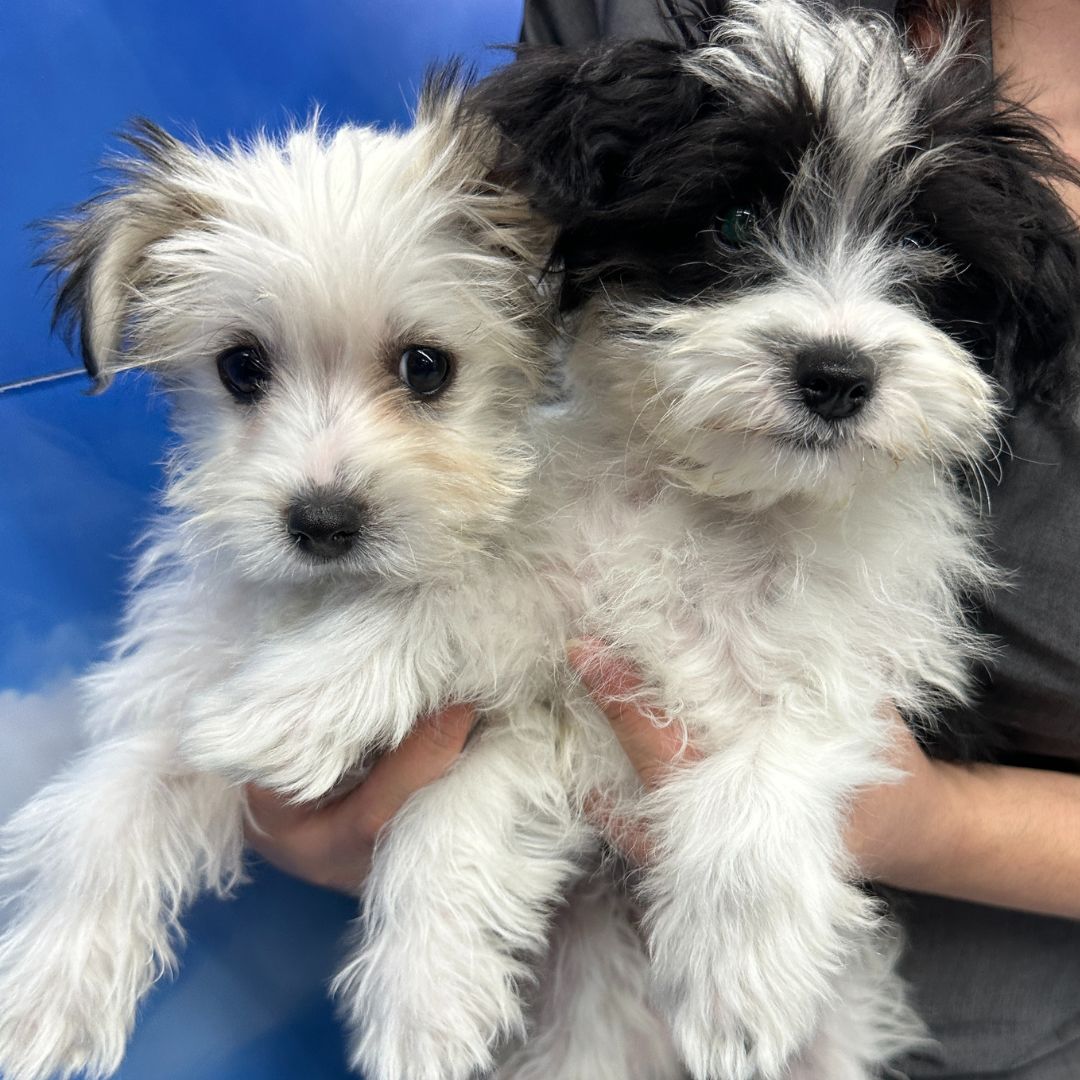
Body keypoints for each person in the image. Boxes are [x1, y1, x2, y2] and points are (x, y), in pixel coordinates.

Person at [248, 1, 1080, 1075]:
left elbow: (826, 742)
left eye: (917, 256)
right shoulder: (627, 42)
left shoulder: (881, 554)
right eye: (739, 233)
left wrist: (917, 822)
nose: (837, 335)